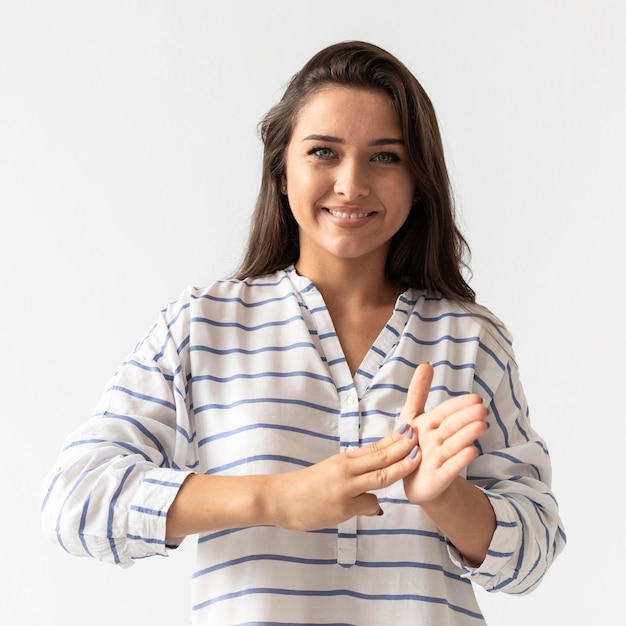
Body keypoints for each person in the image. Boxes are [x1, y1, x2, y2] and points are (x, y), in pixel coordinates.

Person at [40, 40, 566, 625]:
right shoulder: (203, 325)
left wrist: (447, 497)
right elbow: (74, 500)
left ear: (418, 181)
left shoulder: (472, 340)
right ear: (281, 171)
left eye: (385, 157)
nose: (351, 183)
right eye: (324, 152)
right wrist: (276, 499)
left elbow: (535, 552)